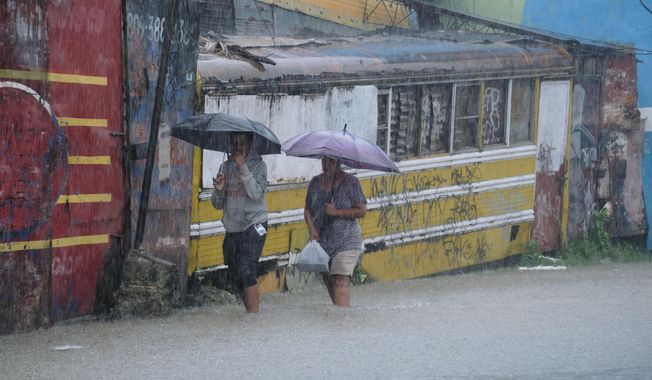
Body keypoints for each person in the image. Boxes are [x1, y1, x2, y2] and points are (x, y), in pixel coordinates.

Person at [212, 132, 268, 313]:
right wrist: (219, 190)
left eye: (242, 143)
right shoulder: (225, 166)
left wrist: (243, 167)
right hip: (233, 227)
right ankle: (249, 314)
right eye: (235, 142)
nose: (238, 147)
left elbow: (256, 194)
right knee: (235, 275)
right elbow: (217, 204)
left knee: (246, 269)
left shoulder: (259, 165)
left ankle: (253, 318)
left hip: (254, 224)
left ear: (250, 143)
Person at [304, 157, 367, 307]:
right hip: (323, 241)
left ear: (339, 163)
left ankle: (343, 323)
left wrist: (336, 211)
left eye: (331, 161)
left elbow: (362, 210)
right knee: (330, 281)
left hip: (347, 239)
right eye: (324, 160)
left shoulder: (351, 182)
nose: (326, 165)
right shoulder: (315, 183)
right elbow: (307, 210)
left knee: (340, 280)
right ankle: (340, 314)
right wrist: (311, 229)